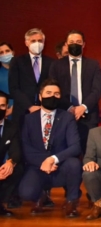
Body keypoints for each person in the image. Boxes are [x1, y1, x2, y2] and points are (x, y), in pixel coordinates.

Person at [18, 78, 82, 217]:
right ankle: (39, 197)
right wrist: (44, 162)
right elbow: (26, 148)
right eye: (48, 93)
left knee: (74, 164)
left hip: (60, 166)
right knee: (25, 192)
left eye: (56, 94)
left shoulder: (67, 117)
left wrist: (52, 159)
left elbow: (75, 146)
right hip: (37, 166)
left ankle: (71, 201)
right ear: (40, 97)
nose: (52, 96)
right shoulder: (29, 119)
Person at [49, 30, 101, 155]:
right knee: (65, 153)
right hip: (63, 114)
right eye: (72, 42)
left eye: (78, 42)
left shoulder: (93, 64)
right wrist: (70, 107)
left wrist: (83, 107)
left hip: (88, 117)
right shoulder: (56, 65)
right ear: (66, 44)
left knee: (89, 154)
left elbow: (97, 89)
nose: (75, 44)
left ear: (84, 44)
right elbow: (53, 89)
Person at [9, 28, 54, 123]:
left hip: (45, 111)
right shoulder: (17, 61)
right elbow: (13, 88)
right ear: (26, 43)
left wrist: (44, 106)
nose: (37, 43)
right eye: (33, 41)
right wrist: (30, 106)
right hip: (22, 111)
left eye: (40, 41)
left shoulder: (51, 62)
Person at [0, 91, 23, 217]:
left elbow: (16, 150)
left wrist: (10, 162)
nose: (0, 109)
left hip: (1, 167)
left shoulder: (12, 127)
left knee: (17, 168)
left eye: (2, 106)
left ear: (7, 108)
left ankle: (1, 204)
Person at [0, 42, 14, 117]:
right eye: (1, 52)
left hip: (23, 110)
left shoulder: (23, 71)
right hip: (4, 113)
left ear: (13, 52)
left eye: (7, 51)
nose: (5, 54)